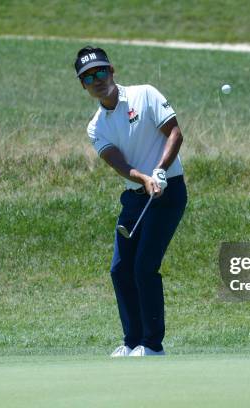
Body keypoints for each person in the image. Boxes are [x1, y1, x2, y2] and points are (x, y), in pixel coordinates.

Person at [74, 46, 187, 357]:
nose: (96, 80)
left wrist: (160, 171)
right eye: (88, 77)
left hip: (169, 191)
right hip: (136, 196)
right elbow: (119, 163)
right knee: (120, 270)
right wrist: (144, 179)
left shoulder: (145, 94)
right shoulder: (96, 126)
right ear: (83, 85)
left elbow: (175, 133)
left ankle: (152, 345)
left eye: (100, 72)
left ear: (112, 70)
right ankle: (132, 341)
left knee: (144, 267)